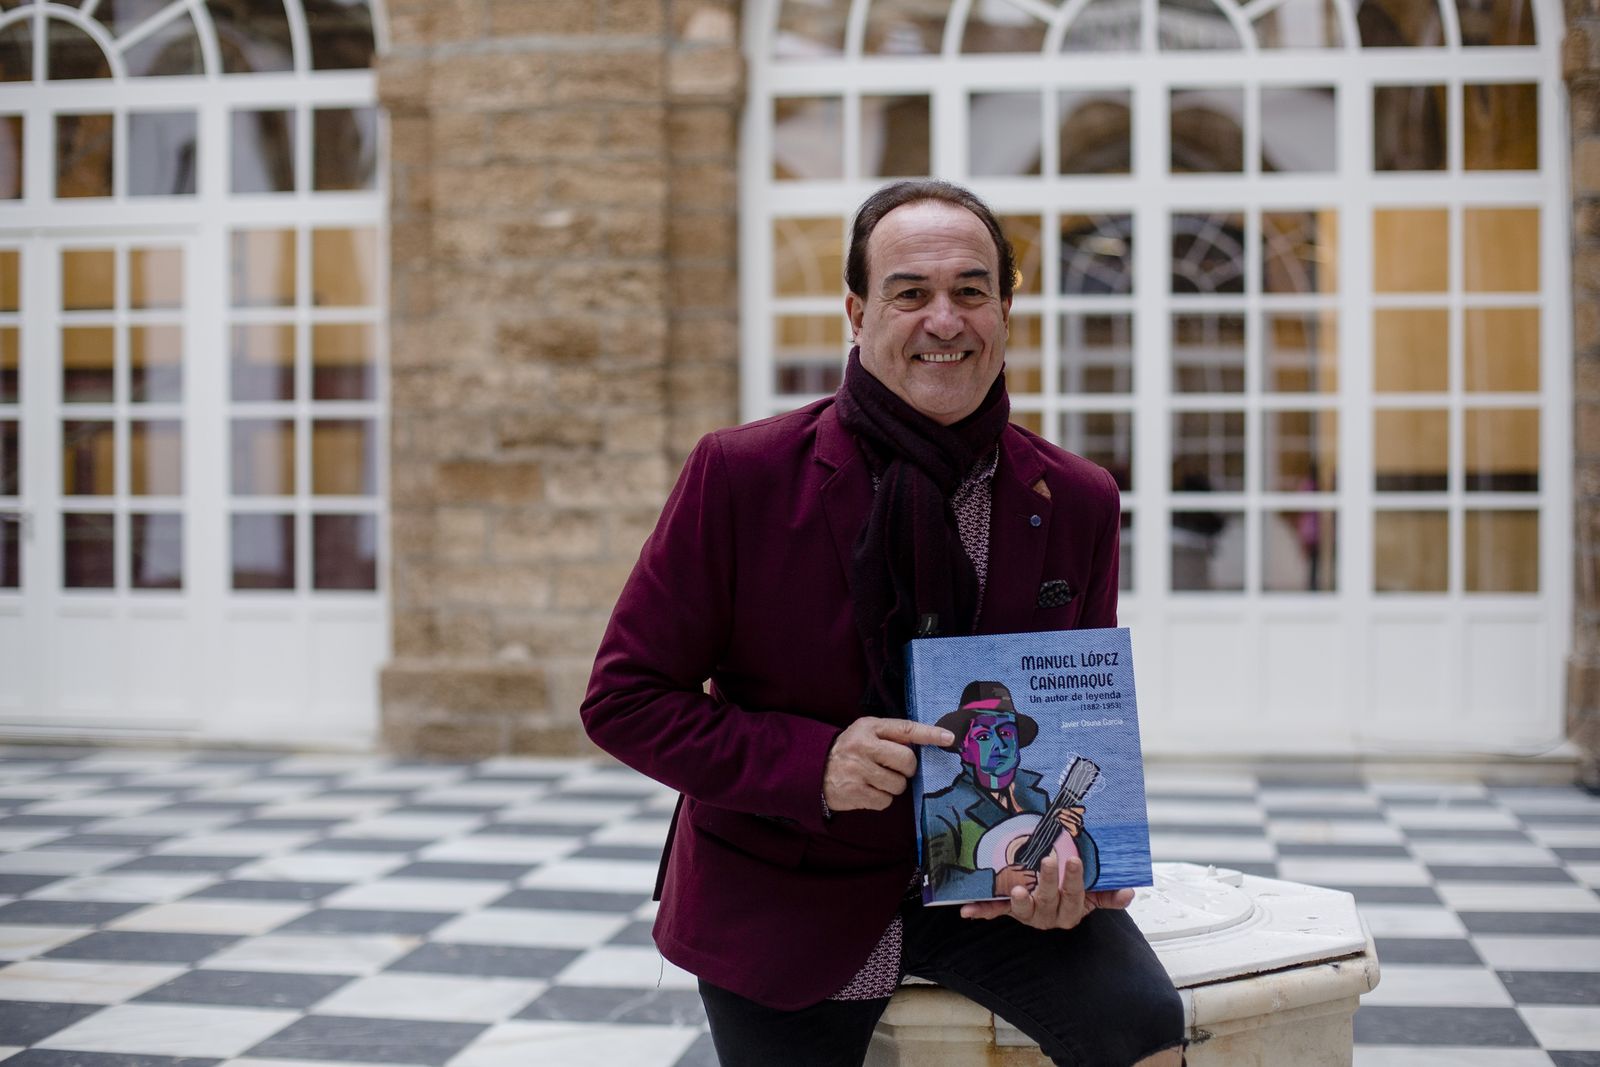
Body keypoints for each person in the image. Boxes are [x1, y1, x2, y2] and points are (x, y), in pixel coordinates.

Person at [581, 180, 1183, 1066]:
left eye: (971, 290)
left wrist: (1073, 859)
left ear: (1006, 312)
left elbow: (1072, 726)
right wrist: (815, 763)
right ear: (858, 314)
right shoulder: (742, 476)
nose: (945, 319)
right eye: (911, 293)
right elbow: (624, 699)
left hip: (994, 879)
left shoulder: (1076, 499)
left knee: (1149, 1030)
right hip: (787, 886)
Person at [922, 680, 1099, 900]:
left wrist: (1076, 838)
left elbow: (1086, 881)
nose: (1000, 745)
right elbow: (935, 884)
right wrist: (995, 884)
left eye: (1006, 733)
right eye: (984, 737)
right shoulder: (942, 807)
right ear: (963, 748)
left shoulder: (1038, 798)